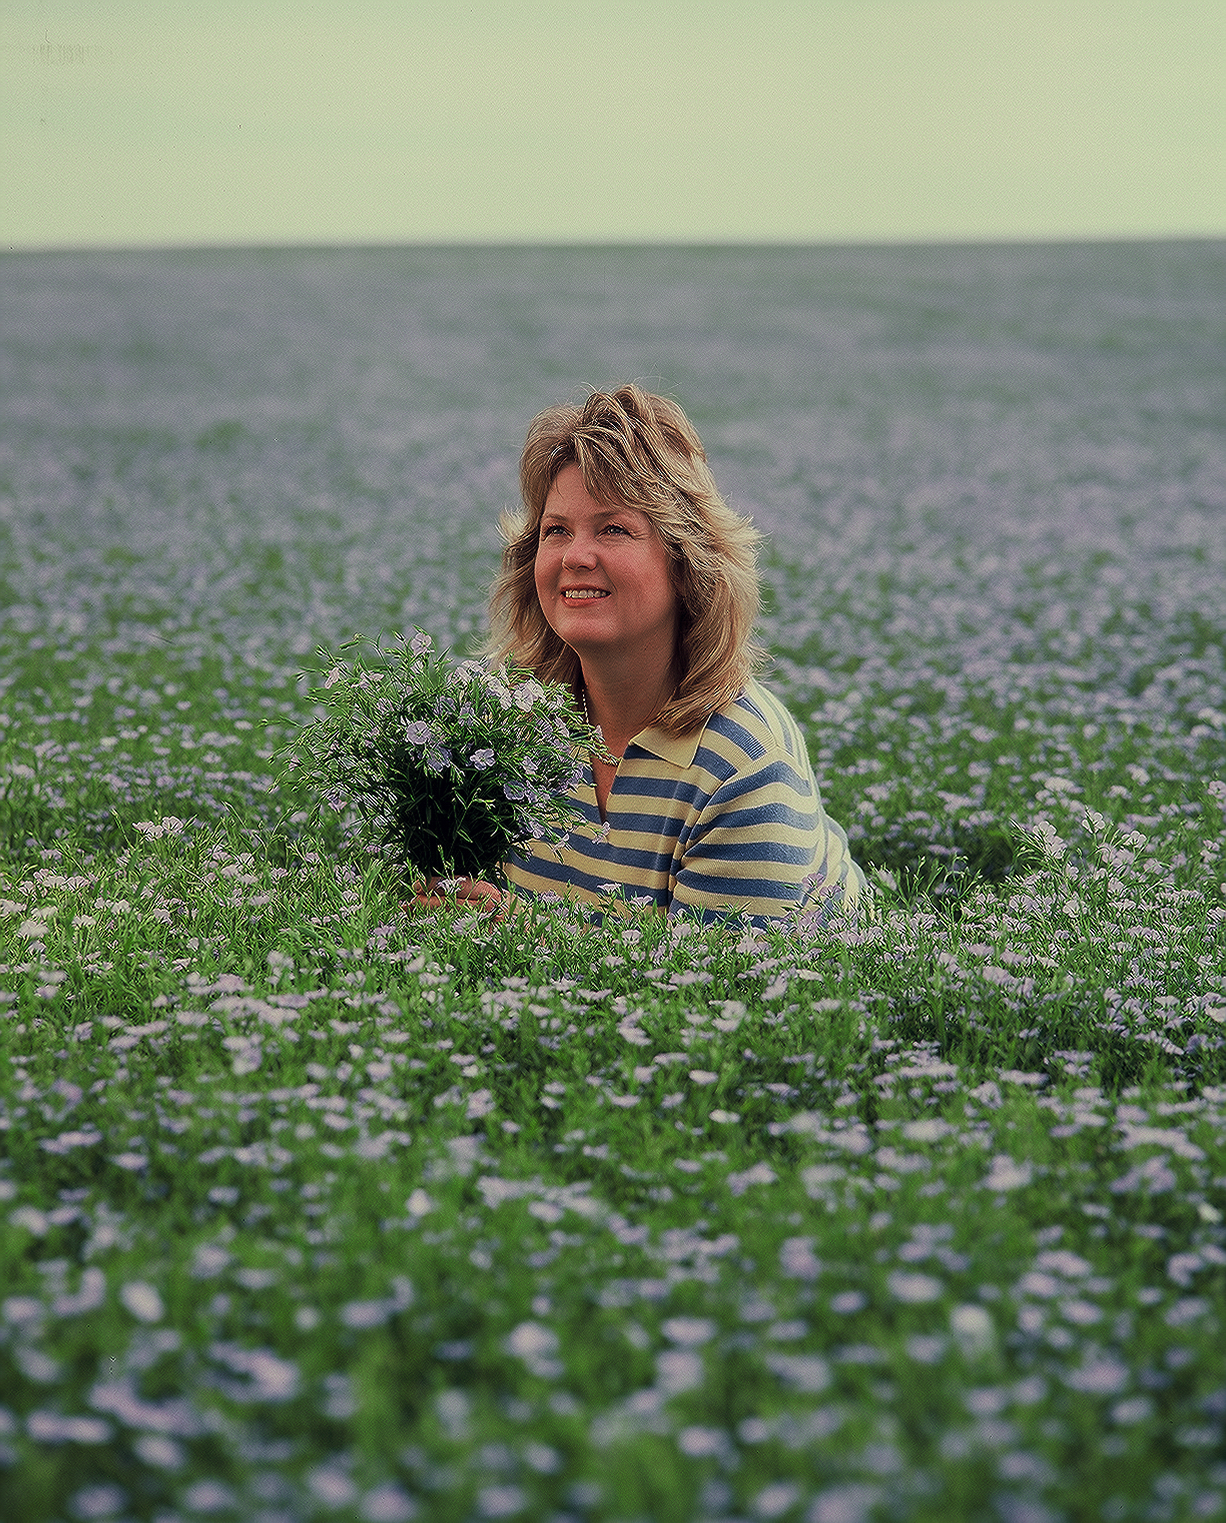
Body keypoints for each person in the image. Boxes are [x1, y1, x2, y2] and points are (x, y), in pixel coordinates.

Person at [421, 383, 865, 927]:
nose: (576, 556)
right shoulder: (504, 729)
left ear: (687, 564)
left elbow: (724, 991)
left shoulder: (744, 770)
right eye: (555, 531)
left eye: (613, 528)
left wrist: (521, 932)